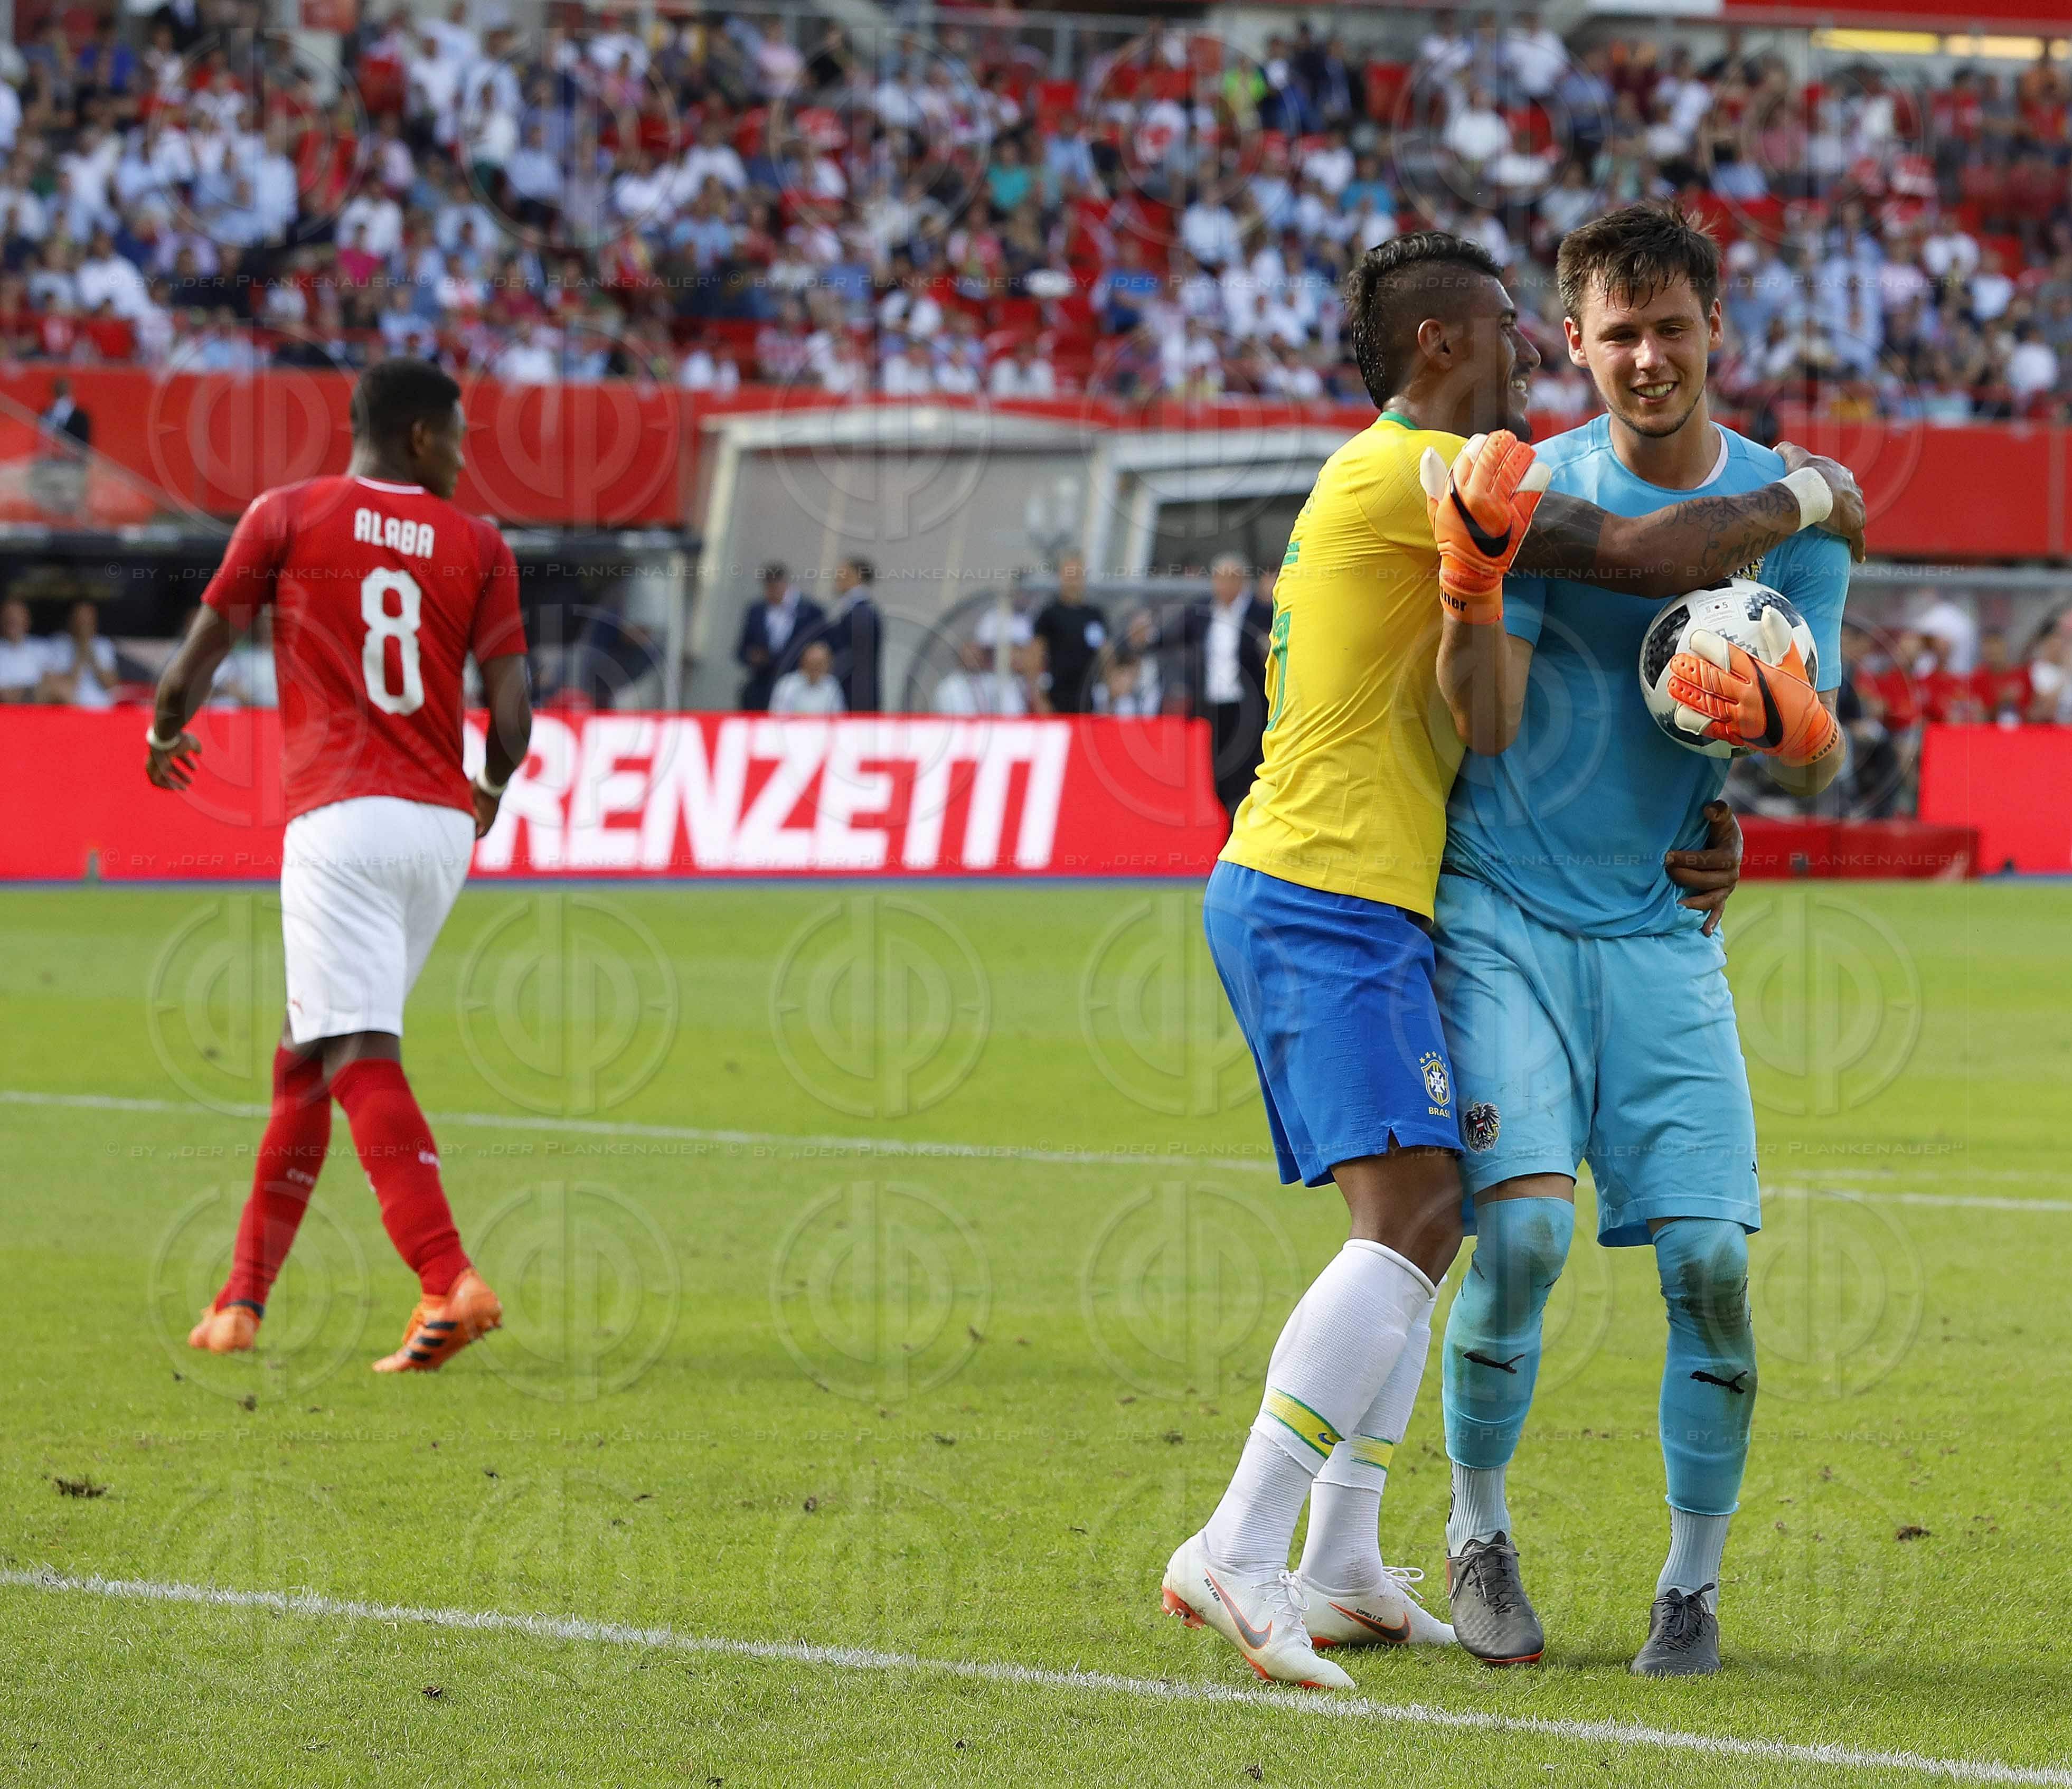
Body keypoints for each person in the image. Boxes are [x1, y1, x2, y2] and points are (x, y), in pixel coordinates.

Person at [1160, 227, 1866, 1690]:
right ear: (1468, 342)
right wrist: (1806, 491)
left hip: (1448, 903)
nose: (1582, 361)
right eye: (1542, 332)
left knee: (1530, 1236)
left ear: (1711, 325)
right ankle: (1258, 1540)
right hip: (1360, 891)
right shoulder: (1453, 470)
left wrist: (1760, 773)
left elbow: (1787, 732)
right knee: (1439, 1216)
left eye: (1665, 327)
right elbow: (1623, 572)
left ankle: (1352, 1554)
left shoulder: (1454, 468)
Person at [1434, 203, 1850, 1679]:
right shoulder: (1532, 486)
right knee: (1526, 1233)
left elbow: (1815, 754)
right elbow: (1483, 719)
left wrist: (1791, 732)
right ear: (1573, 342)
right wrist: (1468, 592)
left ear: (1714, 330)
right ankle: (1476, 1531)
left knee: (1710, 1268)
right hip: (1502, 908)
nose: (1646, 355)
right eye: (1616, 331)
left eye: (1670, 327)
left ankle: (1688, 1587)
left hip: (1660, 926)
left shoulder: (1787, 521)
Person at [144, 359, 533, 1377]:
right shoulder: (483, 544)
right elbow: (518, 715)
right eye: (455, 435)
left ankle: (447, 1277)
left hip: (340, 822)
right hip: (441, 828)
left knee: (357, 1050)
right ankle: (240, 1299)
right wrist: (487, 790)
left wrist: (161, 731)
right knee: (304, 1055)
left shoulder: (283, 514)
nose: (462, 453)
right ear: (416, 436)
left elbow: (197, 657)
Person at [734, 560, 822, 711]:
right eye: (768, 587)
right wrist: (753, 656)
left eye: (776, 587)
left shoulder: (811, 612)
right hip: (761, 687)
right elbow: (742, 649)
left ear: (785, 584)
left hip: (797, 689)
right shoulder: (756, 611)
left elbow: (821, 648)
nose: (772, 592)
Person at [1030, 551, 1108, 714]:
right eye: (1069, 575)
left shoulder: (1095, 615)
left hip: (1088, 701)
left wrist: (1111, 693)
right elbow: (1034, 657)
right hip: (1056, 699)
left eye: (1078, 575)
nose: (1074, 582)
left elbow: (1106, 654)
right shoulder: (1050, 614)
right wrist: (1038, 699)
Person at [817, 556, 881, 712]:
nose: (837, 577)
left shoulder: (862, 612)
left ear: (857, 576)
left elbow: (855, 658)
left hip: (855, 697)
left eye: (843, 573)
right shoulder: (850, 609)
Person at [40, 598, 118, 707]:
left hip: (101, 709)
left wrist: (91, 653)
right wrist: (80, 655)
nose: (84, 624)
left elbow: (111, 686)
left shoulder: (103, 645)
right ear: (71, 620)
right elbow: (59, 688)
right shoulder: (59, 643)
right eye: (80, 619)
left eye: (88, 620)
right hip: (70, 709)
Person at [768, 638, 845, 715]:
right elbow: (776, 716)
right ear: (803, 662)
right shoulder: (787, 684)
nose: (815, 668)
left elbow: (839, 718)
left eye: (820, 664)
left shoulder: (832, 685)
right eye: (812, 663)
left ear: (828, 665)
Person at [0, 594, 48, 700]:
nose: (12, 620)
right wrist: (35, 692)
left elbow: (60, 689)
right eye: (8, 616)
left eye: (17, 616)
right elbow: (4, 696)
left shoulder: (42, 648)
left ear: (28, 620)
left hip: (39, 713)